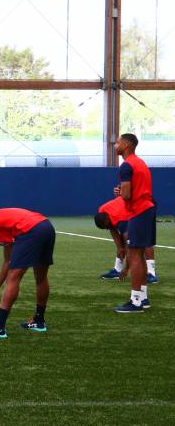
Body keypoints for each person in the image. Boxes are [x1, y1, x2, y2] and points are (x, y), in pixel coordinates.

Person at [0, 208, 54, 339]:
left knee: (13, 277)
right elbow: (7, 261)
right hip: (46, 226)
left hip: (30, 229)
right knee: (41, 277)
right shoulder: (1, 226)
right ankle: (39, 320)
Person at [112, 133, 155, 313]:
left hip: (139, 211)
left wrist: (120, 193)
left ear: (127, 145)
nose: (116, 144)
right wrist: (123, 191)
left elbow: (127, 195)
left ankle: (135, 301)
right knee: (140, 254)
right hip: (148, 208)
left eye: (119, 142)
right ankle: (143, 298)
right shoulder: (140, 162)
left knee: (134, 254)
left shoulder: (126, 165)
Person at [94, 197, 158, 283]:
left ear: (107, 219)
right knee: (123, 242)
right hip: (133, 206)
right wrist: (120, 247)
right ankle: (117, 270)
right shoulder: (102, 211)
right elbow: (112, 228)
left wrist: (126, 269)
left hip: (146, 206)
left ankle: (152, 274)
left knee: (145, 241)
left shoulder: (122, 221)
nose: (107, 229)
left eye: (106, 226)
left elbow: (129, 248)